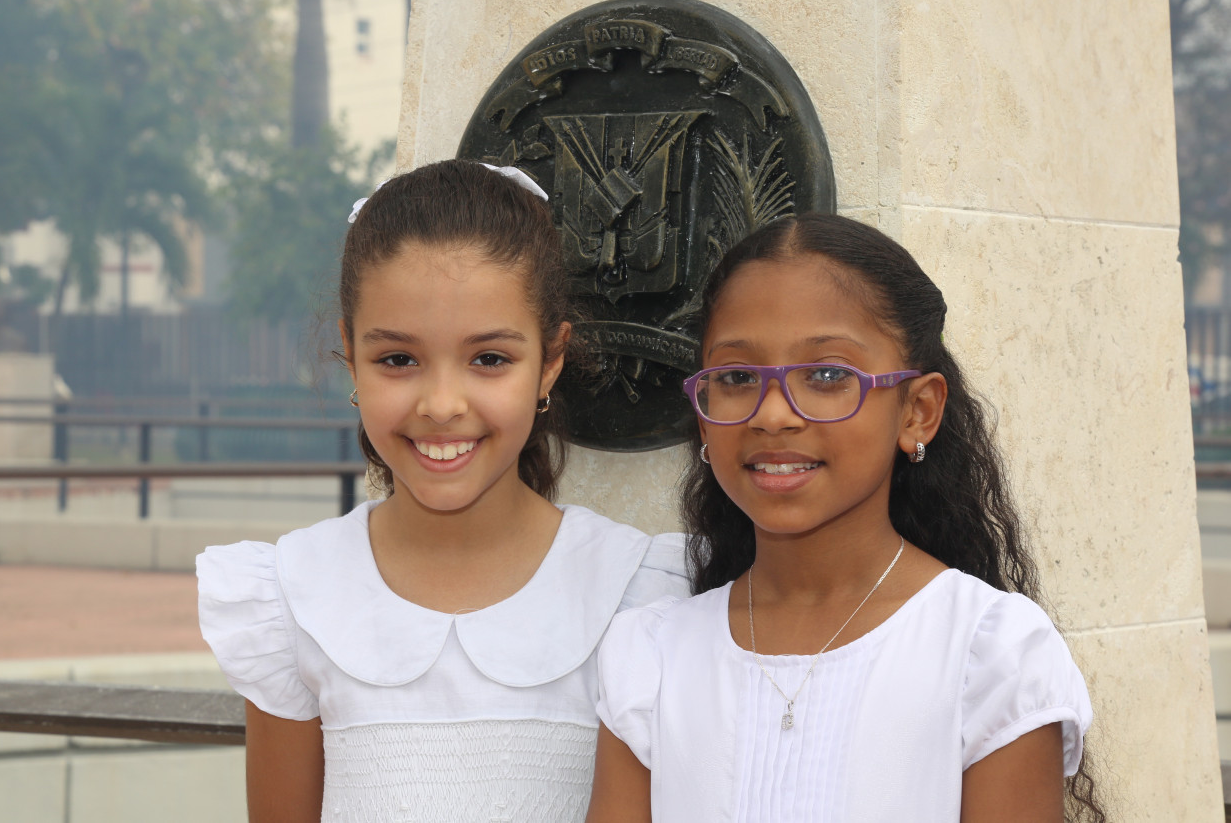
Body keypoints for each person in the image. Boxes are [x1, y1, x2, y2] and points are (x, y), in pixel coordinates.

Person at [197, 160, 689, 823]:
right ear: (350, 354)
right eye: (398, 359)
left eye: (489, 359)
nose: (442, 404)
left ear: (550, 362)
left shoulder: (633, 595)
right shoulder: (293, 594)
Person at [586, 213, 1104, 822]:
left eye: (828, 375)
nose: (772, 415)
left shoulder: (991, 656)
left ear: (917, 410)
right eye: (737, 376)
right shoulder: (651, 657)